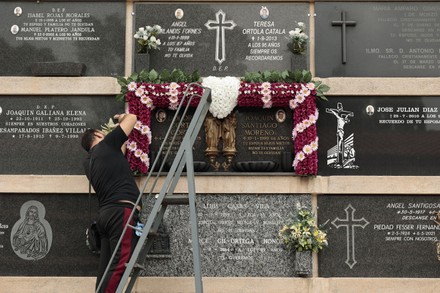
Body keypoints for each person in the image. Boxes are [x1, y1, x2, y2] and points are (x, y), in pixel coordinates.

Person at [81, 113, 141, 293]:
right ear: (99, 135)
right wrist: (121, 117)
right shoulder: (107, 144)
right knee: (120, 263)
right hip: (120, 213)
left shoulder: (88, 162)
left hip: (105, 217)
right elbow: (132, 117)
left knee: (106, 268)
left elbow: (120, 151)